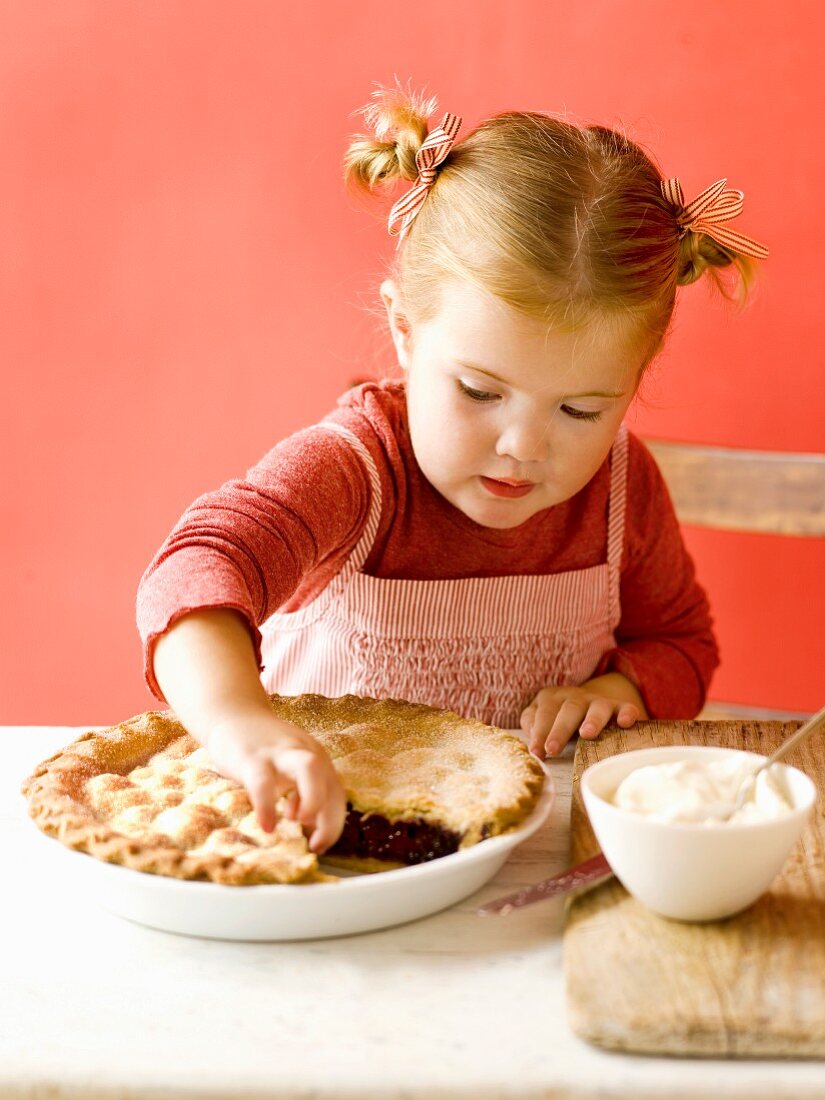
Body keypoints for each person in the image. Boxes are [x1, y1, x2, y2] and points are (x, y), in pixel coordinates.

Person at [137, 84, 768, 854]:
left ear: (636, 380)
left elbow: (682, 645)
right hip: (324, 855)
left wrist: (623, 689)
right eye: (478, 391)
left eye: (580, 411)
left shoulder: (621, 491)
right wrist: (240, 723)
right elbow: (198, 566)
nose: (523, 446)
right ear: (404, 332)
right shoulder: (355, 472)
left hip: (526, 862)